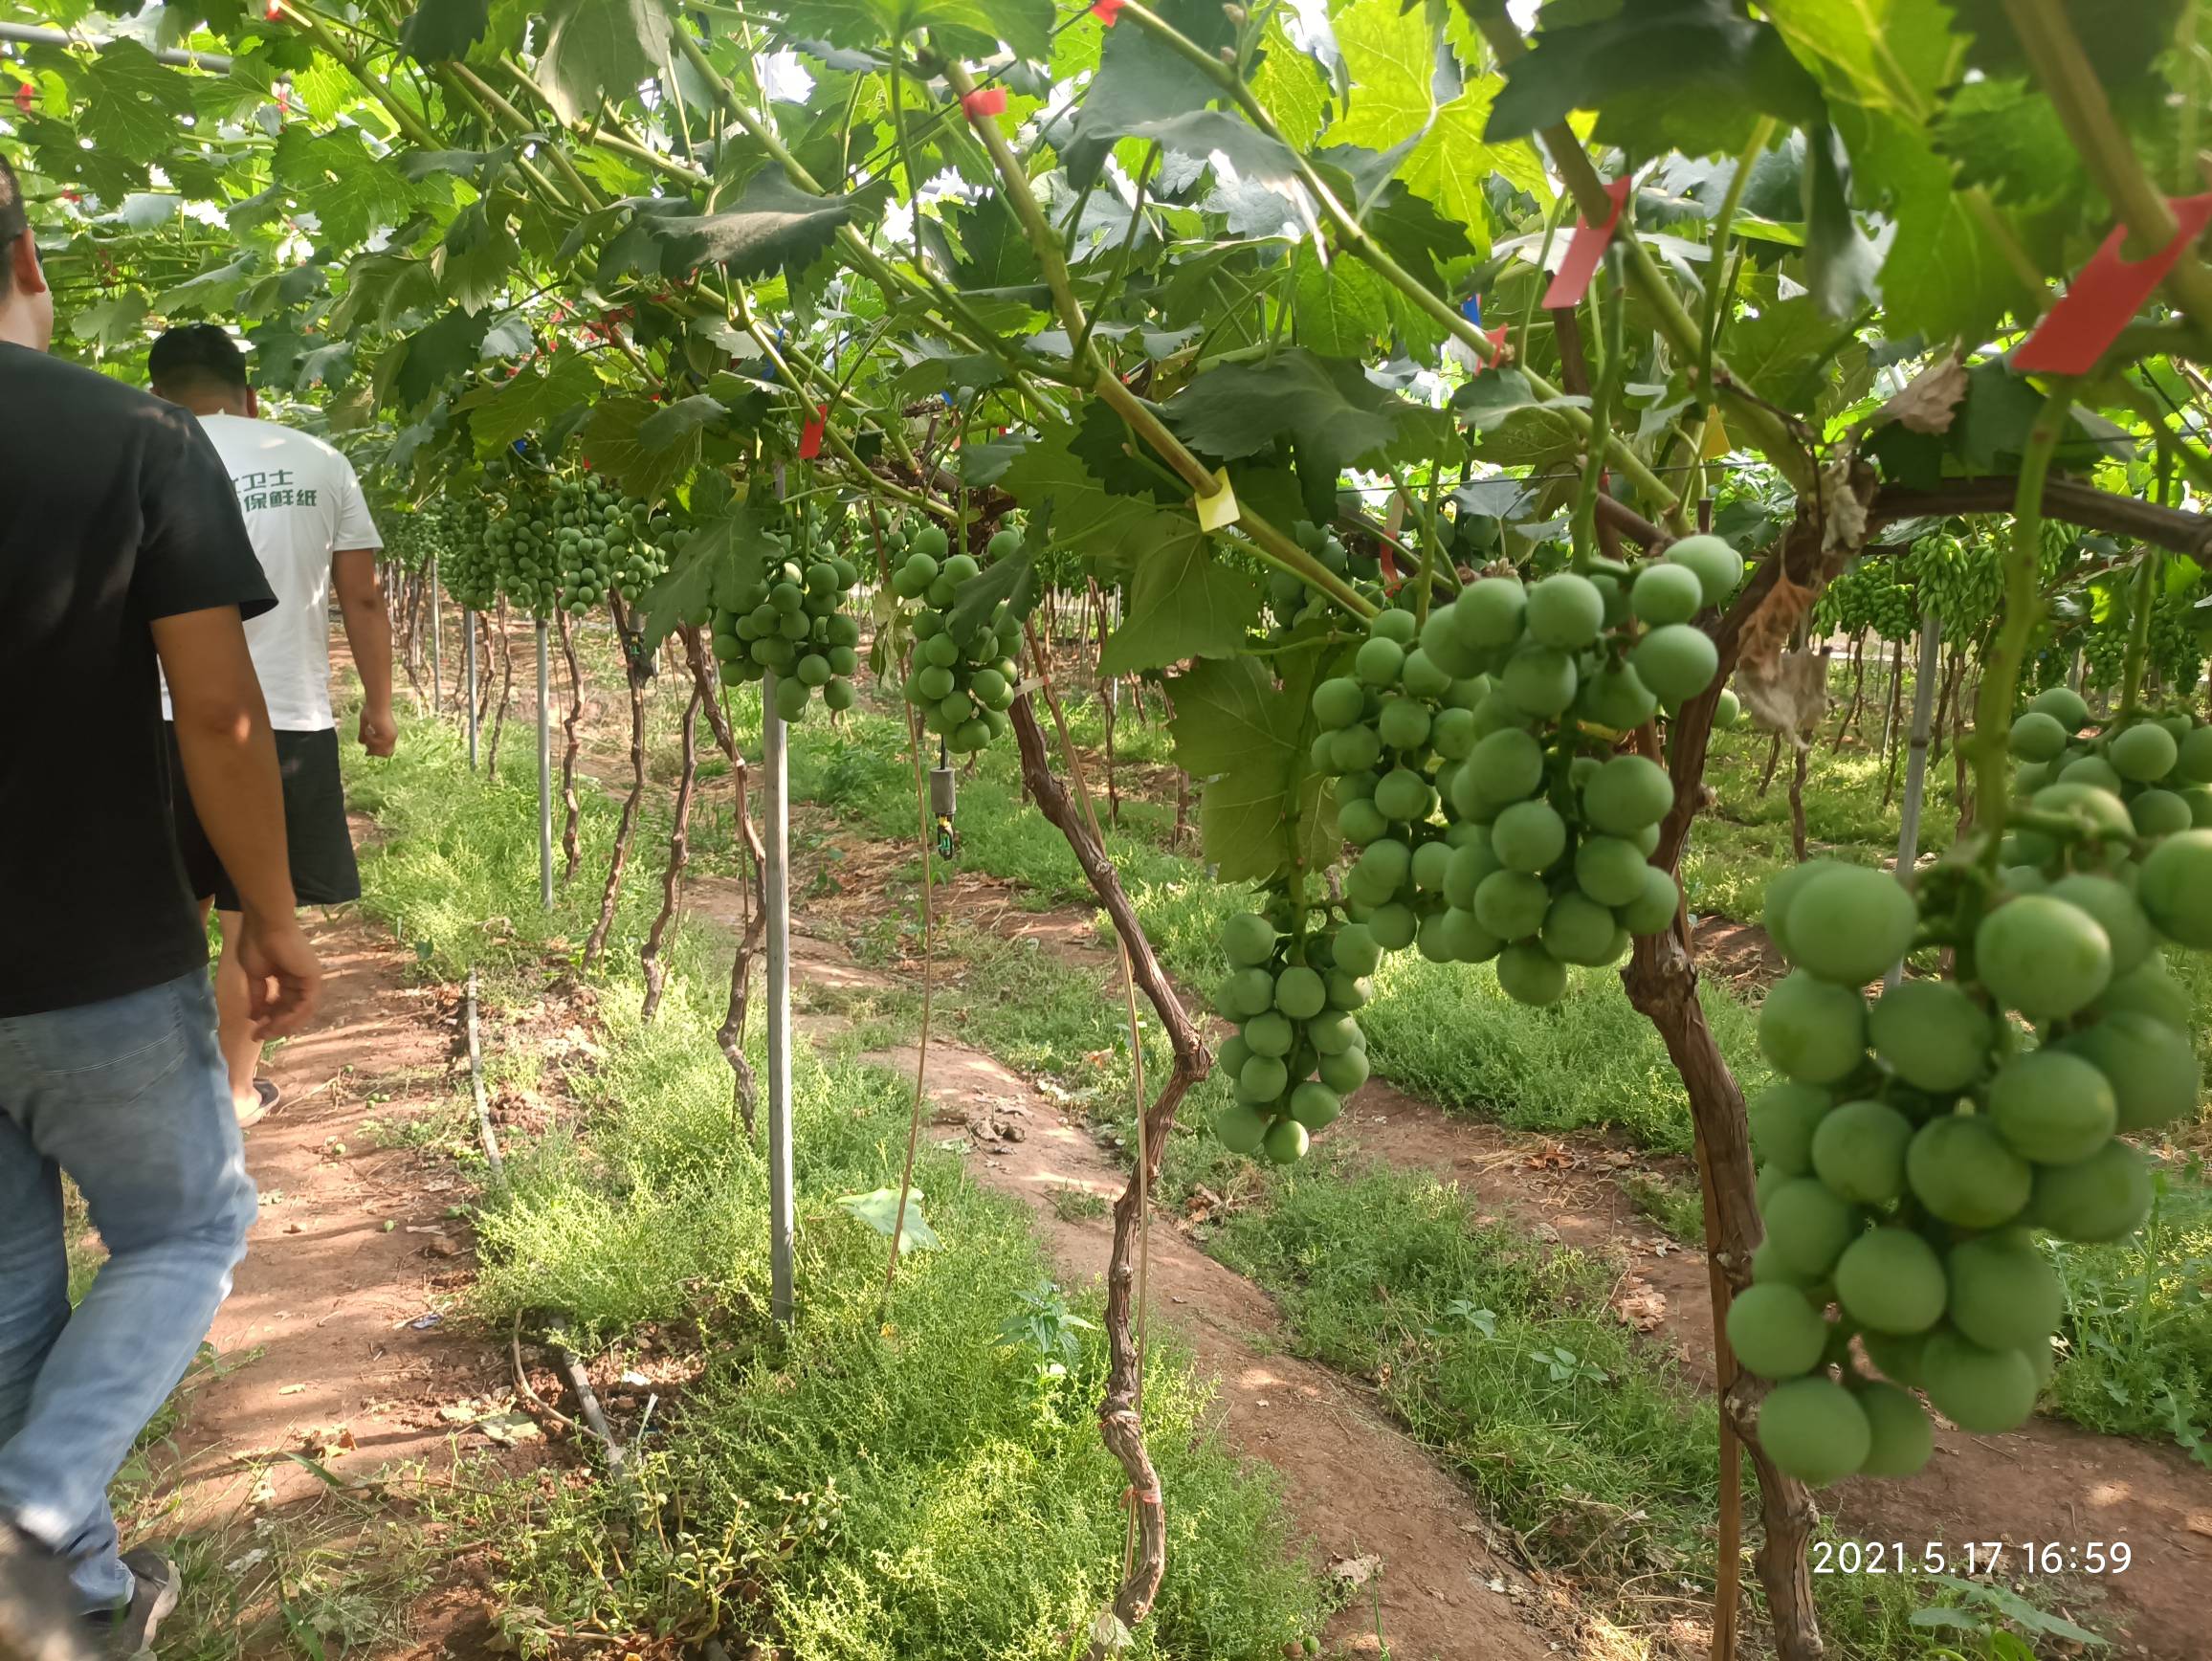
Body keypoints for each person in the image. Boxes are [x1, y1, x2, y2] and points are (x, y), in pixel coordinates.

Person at [0, 153, 321, 1654]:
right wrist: (270, 910)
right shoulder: (136, 439)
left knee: (7, 1300)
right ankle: (33, 1509)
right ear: (28, 260)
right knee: (189, 1230)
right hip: (103, 958)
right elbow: (221, 715)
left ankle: (70, 1610)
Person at [146, 324, 391, 1128]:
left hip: (156, 720)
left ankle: (158, 1088)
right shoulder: (319, 460)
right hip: (283, 718)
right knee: (251, 916)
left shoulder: (138, 454)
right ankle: (233, 1093)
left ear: (156, 395)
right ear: (250, 397)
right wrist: (380, 704)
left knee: (165, 917)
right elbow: (363, 596)